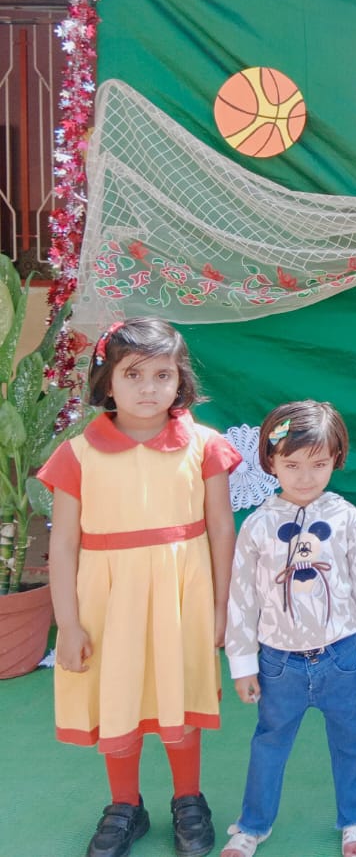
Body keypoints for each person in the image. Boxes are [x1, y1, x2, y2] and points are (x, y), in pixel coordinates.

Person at [40, 317, 242, 857]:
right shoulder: (77, 455)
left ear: (181, 381)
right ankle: (125, 804)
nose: (148, 388)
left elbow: (222, 529)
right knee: (118, 698)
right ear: (106, 381)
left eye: (162, 375)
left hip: (182, 598)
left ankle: (189, 798)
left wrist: (222, 607)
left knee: (181, 696)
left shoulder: (205, 446)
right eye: (133, 374)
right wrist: (68, 624)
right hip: (107, 604)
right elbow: (64, 545)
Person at [221, 401, 356, 857]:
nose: (305, 476)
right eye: (292, 464)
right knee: (269, 743)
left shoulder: (346, 517)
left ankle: (355, 819)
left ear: (336, 459)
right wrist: (243, 663)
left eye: (318, 464)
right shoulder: (257, 525)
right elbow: (242, 597)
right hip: (279, 663)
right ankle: (253, 824)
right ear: (271, 461)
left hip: (341, 656)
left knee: (352, 740)